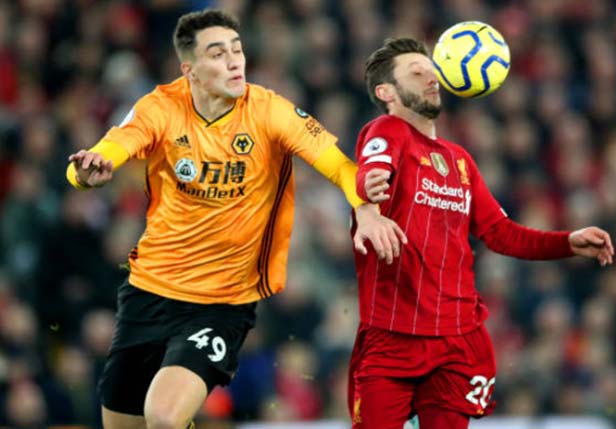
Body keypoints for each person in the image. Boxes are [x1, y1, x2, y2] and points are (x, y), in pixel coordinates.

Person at [65, 10, 406, 429]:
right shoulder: (160, 107)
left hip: (222, 302)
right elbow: (113, 146)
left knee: (164, 417)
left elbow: (339, 166)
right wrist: (85, 174)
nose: (234, 62)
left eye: (237, 50)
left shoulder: (269, 111)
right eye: (217, 53)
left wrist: (367, 210)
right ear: (189, 70)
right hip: (149, 292)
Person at [348, 37, 615, 429]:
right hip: (393, 338)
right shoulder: (388, 130)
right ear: (386, 92)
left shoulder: (460, 161)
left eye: (432, 70)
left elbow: (501, 233)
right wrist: (369, 195)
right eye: (417, 72)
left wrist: (566, 242)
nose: (432, 78)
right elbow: (371, 170)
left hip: (457, 340)